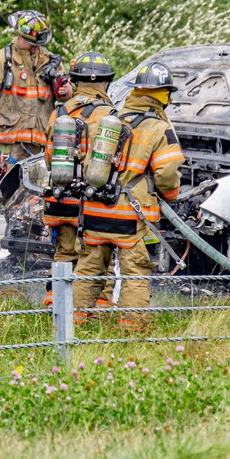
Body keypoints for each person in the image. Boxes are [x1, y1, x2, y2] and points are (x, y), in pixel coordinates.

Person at [75, 62, 187, 328]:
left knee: (87, 273)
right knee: (135, 275)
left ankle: (69, 326)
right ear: (164, 96)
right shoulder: (159, 129)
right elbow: (167, 174)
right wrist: (170, 196)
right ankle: (130, 332)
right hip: (129, 219)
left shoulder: (109, 120)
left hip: (93, 212)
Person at [0, 10, 62, 262]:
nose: (35, 48)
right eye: (31, 42)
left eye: (39, 43)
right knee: (10, 191)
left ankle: (33, 243)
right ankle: (13, 243)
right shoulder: (4, 59)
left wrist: (65, 90)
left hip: (42, 142)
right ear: (20, 36)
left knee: (41, 192)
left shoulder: (52, 62)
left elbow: (64, 96)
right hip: (11, 141)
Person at [39, 51, 117, 321]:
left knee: (64, 255)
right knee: (96, 259)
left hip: (62, 201)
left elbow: (50, 157)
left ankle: (55, 308)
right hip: (94, 203)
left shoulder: (59, 112)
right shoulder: (111, 116)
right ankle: (95, 314)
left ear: (75, 82)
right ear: (105, 83)